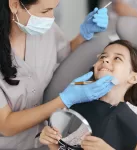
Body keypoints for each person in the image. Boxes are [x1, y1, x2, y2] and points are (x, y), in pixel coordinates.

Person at [0, 0, 114, 149]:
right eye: (45, 11)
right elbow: (6, 125)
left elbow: (63, 54)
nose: (51, 17)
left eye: (54, 9)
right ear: (15, 5)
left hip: (48, 139)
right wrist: (66, 99)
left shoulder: (45, 29)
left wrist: (83, 35)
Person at [39, 40, 137, 150]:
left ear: (133, 78)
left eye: (117, 58)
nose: (105, 59)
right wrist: (51, 141)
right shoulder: (76, 105)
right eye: (102, 57)